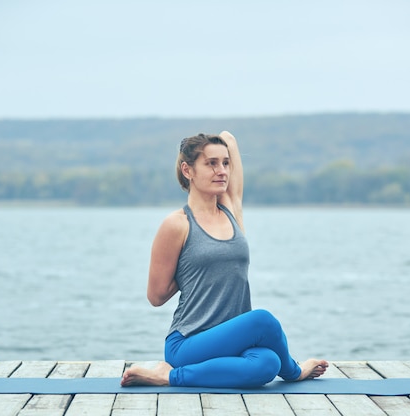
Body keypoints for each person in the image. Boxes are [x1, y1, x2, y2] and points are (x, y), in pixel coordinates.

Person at [121, 131, 328, 388]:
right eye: (211, 163)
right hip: (187, 342)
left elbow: (229, 138)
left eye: (225, 163)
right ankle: (295, 371)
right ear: (188, 171)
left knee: (268, 364)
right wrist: (188, 266)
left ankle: (168, 375)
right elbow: (156, 296)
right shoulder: (177, 224)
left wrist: (219, 144)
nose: (222, 171)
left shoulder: (231, 210)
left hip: (236, 342)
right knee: (263, 320)